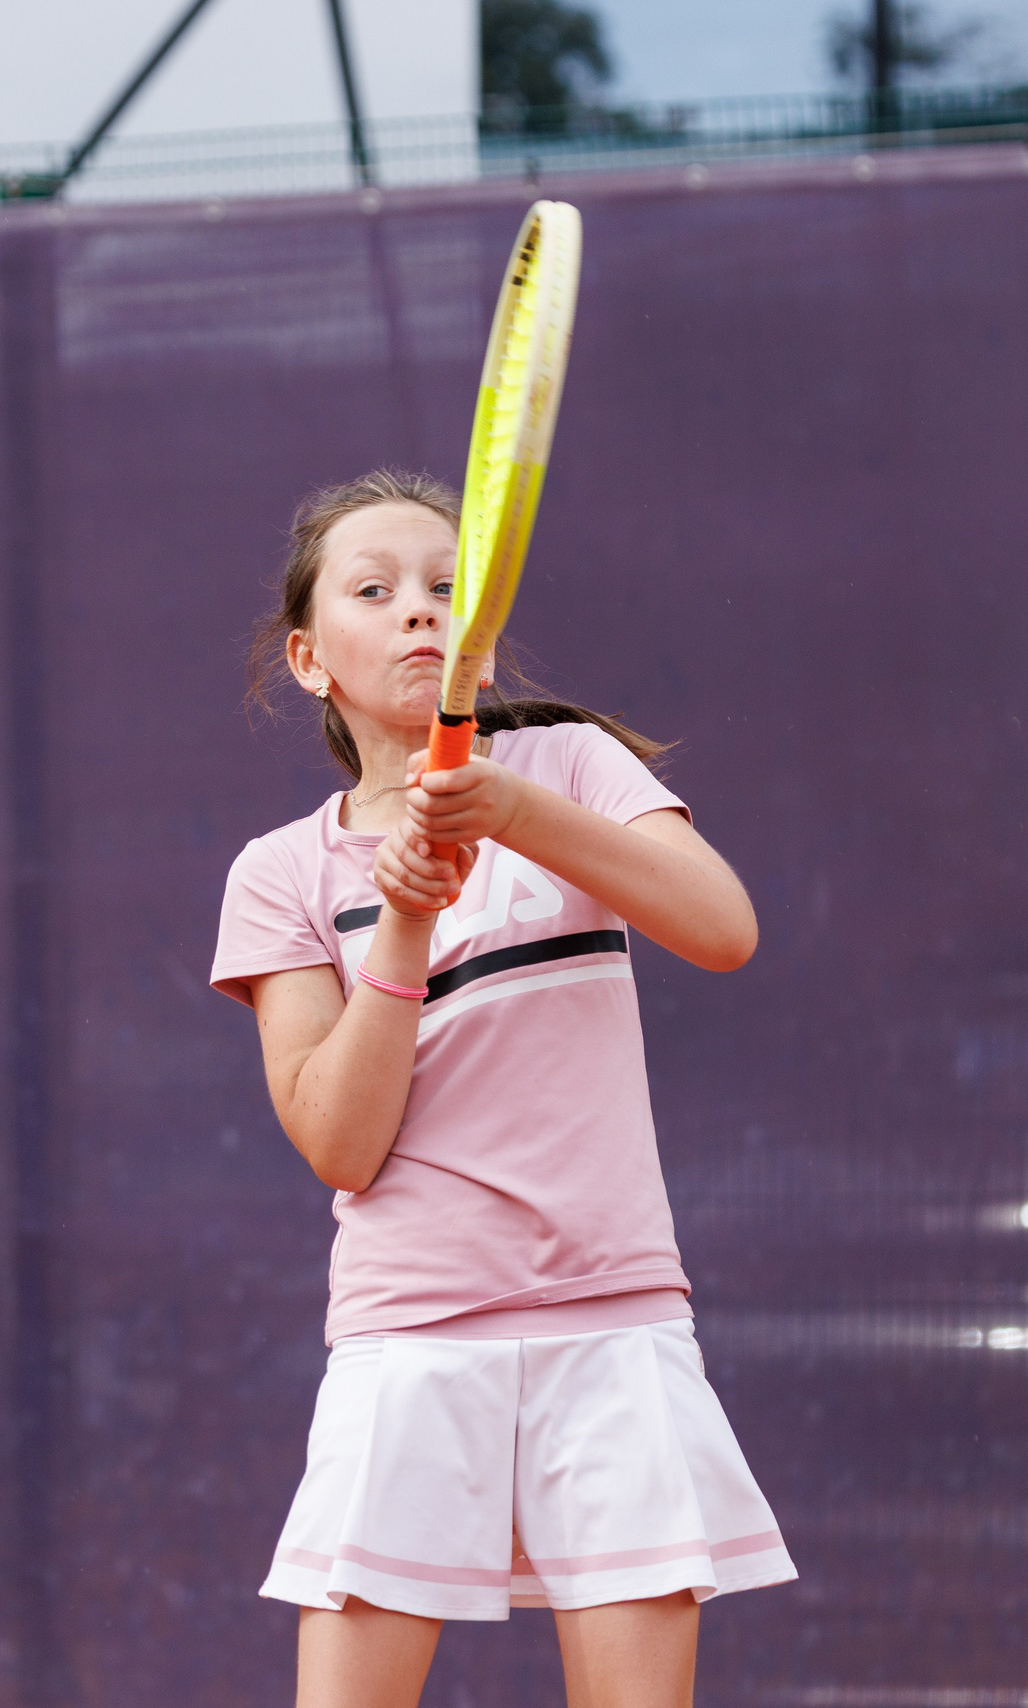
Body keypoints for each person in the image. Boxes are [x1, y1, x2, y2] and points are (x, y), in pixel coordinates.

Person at [211, 471, 795, 1708]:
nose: (419, 611)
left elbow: (722, 927)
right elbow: (338, 1144)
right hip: (410, 1340)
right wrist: (406, 924)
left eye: (442, 587)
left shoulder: (571, 765)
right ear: (312, 659)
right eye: (377, 591)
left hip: (614, 1324)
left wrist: (512, 805)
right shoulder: (279, 875)